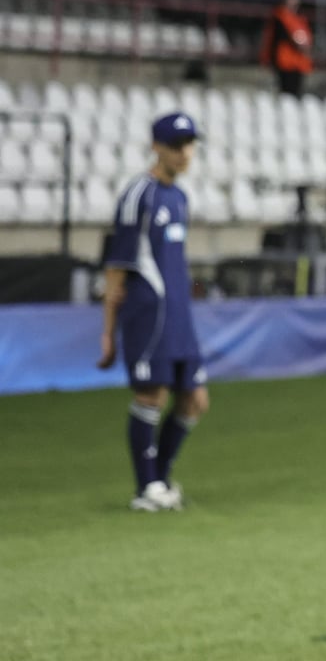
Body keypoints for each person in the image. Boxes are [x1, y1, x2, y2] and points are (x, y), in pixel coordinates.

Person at [98, 112, 209, 512]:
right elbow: (117, 268)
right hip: (149, 313)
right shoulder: (138, 196)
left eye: (189, 145)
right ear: (156, 147)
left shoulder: (179, 198)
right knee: (152, 394)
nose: (185, 153)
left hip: (179, 314)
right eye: (177, 145)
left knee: (195, 399)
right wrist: (108, 331)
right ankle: (147, 488)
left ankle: (159, 480)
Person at [260, 0, 312, 97]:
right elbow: (281, 37)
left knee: (296, 92)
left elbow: (306, 36)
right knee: (287, 93)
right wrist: (299, 45)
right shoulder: (279, 17)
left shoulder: (299, 18)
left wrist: (306, 47)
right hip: (285, 61)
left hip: (298, 62)